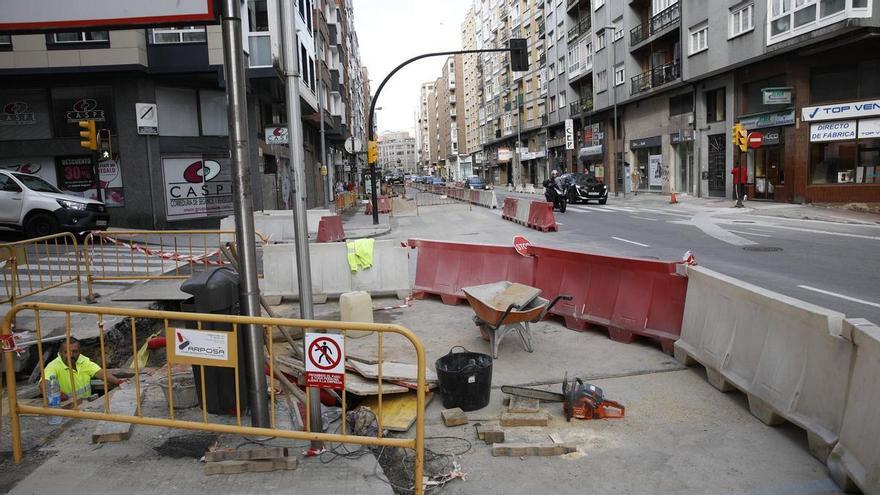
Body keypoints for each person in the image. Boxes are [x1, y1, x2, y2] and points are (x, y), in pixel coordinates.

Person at [43, 338, 124, 400]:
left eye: (74, 351)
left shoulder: (83, 360)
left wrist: (118, 382)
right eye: (66, 352)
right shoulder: (53, 366)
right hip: (68, 408)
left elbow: (100, 373)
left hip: (86, 405)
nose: (71, 355)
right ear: (60, 353)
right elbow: (43, 384)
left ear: (79, 352)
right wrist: (57, 395)